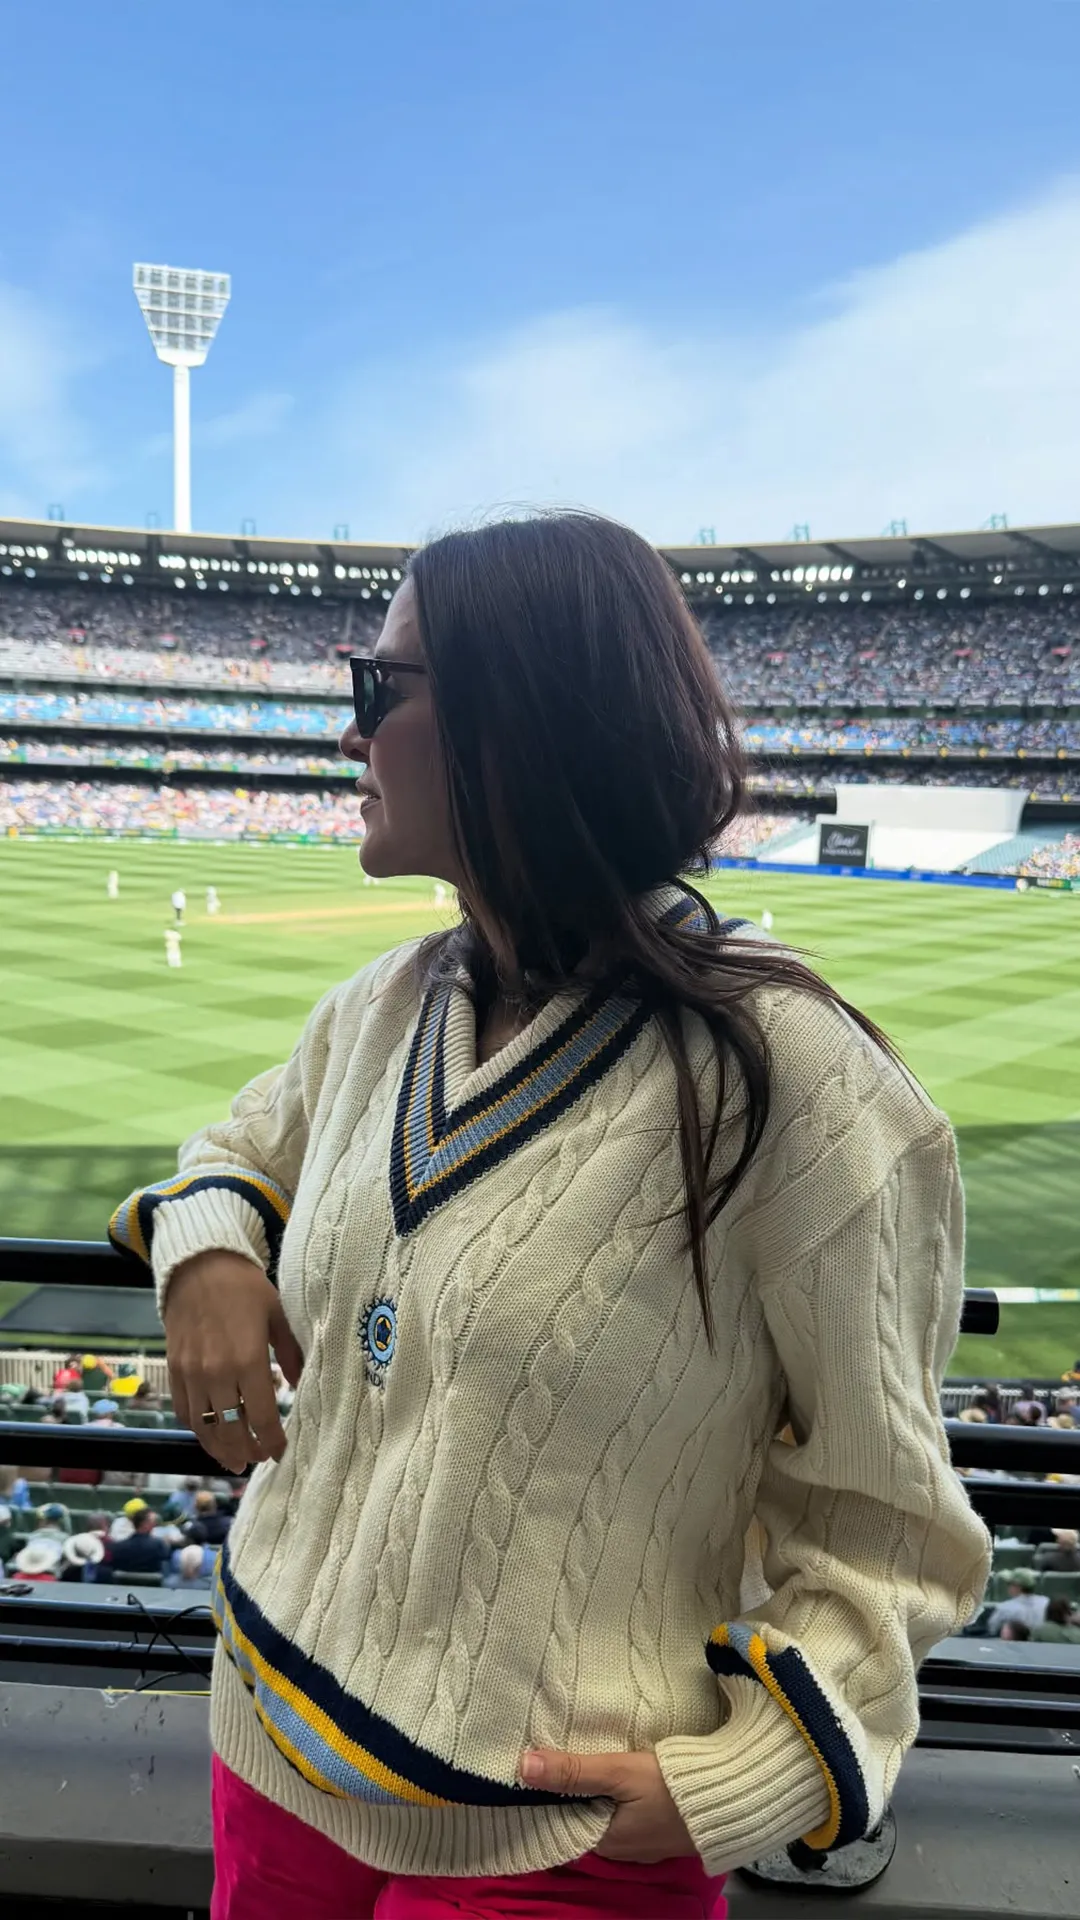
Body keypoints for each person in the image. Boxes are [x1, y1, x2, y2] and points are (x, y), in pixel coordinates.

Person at [109, 514, 990, 1920]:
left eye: (375, 691)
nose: (349, 739)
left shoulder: (803, 1090)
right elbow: (235, 1142)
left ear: (516, 724)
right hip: (269, 1741)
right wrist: (208, 1248)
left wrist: (752, 1774)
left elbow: (893, 1532)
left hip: (558, 1842)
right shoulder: (387, 1005)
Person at [101, 1507, 171, 1581]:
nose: (155, 1524)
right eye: (153, 1521)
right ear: (145, 1524)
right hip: (153, 1587)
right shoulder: (159, 1546)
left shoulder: (118, 1547)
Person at [986, 1568, 1050, 1636]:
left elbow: (992, 1629)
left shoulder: (1004, 1607)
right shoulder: (1047, 1602)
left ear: (1017, 1587)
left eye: (1009, 1584)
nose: (1008, 1587)